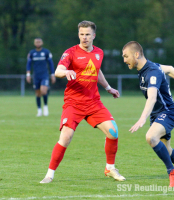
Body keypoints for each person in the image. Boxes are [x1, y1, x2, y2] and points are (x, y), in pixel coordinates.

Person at [40, 21, 126, 183]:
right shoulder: (70, 52)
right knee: (65, 138)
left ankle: (110, 168)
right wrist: (66, 71)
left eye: (87, 34)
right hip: (74, 102)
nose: (84, 37)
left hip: (93, 102)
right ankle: (49, 175)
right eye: (81, 34)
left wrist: (108, 88)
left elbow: (97, 70)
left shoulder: (99, 52)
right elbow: (58, 71)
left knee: (113, 132)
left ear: (93, 35)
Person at [122, 41, 174, 187]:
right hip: (157, 114)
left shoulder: (152, 72)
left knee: (151, 137)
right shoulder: (149, 68)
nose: (124, 60)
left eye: (126, 56)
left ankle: (172, 173)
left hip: (168, 112)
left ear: (136, 54)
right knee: (167, 150)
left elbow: (152, 97)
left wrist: (142, 118)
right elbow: (170, 69)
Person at [26, 38, 55, 117]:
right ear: (34, 43)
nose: (38, 43)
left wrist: (53, 74)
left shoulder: (46, 52)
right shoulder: (32, 53)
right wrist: (28, 75)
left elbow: (51, 64)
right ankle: (39, 110)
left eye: (39, 42)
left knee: (44, 91)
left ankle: (45, 107)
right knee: (38, 93)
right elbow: (28, 64)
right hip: (36, 76)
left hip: (44, 75)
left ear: (42, 43)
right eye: (36, 42)